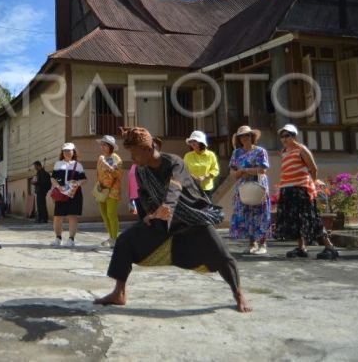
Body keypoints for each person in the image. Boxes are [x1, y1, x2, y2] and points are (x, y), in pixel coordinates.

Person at [93, 127, 251, 313]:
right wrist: (149, 214)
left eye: (134, 153)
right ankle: (119, 293)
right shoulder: (141, 171)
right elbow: (144, 194)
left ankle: (238, 294)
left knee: (222, 256)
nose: (132, 158)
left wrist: (167, 205)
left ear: (147, 149)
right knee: (124, 242)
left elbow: (175, 186)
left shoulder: (174, 162)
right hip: (163, 221)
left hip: (193, 218)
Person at [275, 124, 339, 260]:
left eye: (287, 135)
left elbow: (313, 168)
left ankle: (330, 247)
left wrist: (312, 184)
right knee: (295, 219)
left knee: (311, 218)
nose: (284, 138)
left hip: (301, 189)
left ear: (294, 136)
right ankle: (301, 248)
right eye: (282, 136)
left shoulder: (301, 149)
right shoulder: (284, 152)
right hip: (287, 189)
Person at [229, 125, 272, 255]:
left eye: (247, 135)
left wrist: (246, 170)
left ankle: (263, 244)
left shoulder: (260, 151)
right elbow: (232, 172)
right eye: (241, 136)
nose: (244, 138)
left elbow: (263, 169)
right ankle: (252, 243)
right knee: (246, 214)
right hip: (243, 186)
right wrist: (239, 172)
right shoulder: (236, 153)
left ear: (252, 136)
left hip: (258, 184)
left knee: (261, 213)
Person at [50, 142, 86, 247]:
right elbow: (53, 178)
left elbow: (83, 179)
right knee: (58, 216)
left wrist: (76, 184)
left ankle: (71, 239)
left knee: (72, 216)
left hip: (74, 194)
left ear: (73, 152)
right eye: (64, 151)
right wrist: (58, 187)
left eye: (69, 150)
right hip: (61, 193)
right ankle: (58, 238)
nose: (66, 152)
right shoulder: (58, 164)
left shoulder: (78, 165)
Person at [95, 135, 123, 247]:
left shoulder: (116, 158)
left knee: (111, 214)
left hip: (113, 189)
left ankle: (115, 239)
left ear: (111, 146)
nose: (102, 147)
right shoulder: (100, 158)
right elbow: (98, 174)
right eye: (101, 145)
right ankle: (111, 237)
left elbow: (117, 174)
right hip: (102, 189)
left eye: (105, 145)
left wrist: (106, 165)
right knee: (104, 214)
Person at [183, 130, 219, 200]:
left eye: (195, 141)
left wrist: (205, 176)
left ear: (201, 142)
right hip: (191, 188)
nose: (192, 144)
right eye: (191, 142)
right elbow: (183, 170)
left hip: (206, 189)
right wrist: (191, 176)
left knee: (207, 207)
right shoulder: (187, 156)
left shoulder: (211, 155)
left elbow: (215, 170)